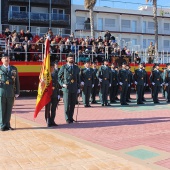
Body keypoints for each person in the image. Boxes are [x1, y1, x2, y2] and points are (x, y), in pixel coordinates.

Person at [58, 53, 80, 124]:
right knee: (67, 104)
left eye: (72, 58)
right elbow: (59, 77)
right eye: (70, 58)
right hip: (67, 88)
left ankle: (71, 117)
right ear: (67, 59)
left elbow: (78, 78)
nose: (72, 59)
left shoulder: (76, 68)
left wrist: (78, 87)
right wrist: (62, 84)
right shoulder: (63, 67)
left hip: (74, 87)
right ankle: (67, 118)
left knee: (73, 104)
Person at [0, 53, 20, 131]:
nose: (6, 59)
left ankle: (7, 125)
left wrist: (17, 91)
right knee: (2, 109)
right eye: (4, 58)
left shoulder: (14, 69)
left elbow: (17, 81)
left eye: (7, 58)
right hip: (1, 91)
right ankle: (2, 125)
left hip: (11, 91)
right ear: (1, 60)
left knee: (9, 109)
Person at [45, 61, 60, 127]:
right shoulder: (45, 75)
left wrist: (58, 94)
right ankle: (48, 121)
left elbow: (57, 85)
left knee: (53, 108)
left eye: (53, 67)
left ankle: (52, 120)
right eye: (51, 67)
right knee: (47, 108)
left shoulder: (55, 74)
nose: (52, 68)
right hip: (48, 94)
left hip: (54, 94)